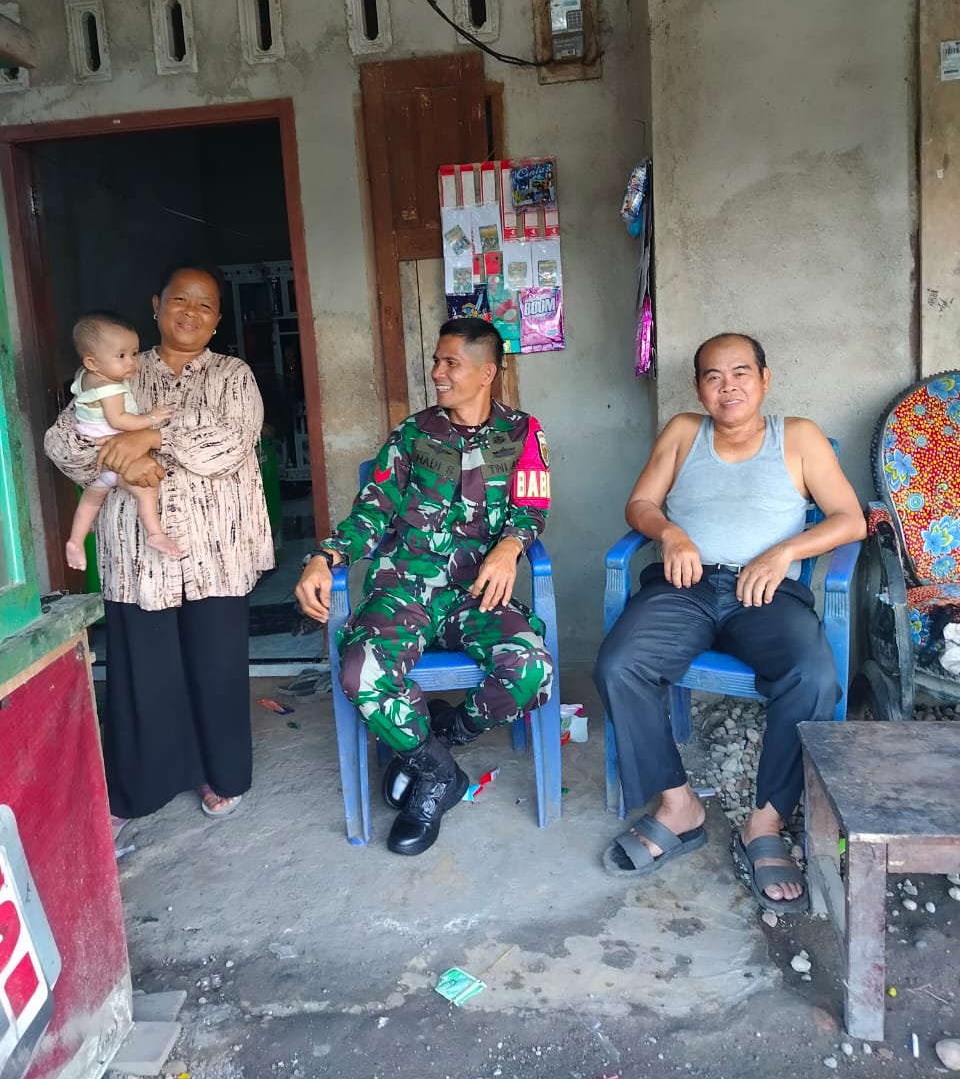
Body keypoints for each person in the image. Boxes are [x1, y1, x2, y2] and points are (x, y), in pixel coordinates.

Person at [593, 333, 865, 914]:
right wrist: (670, 533)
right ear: (698, 388)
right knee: (620, 664)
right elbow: (640, 505)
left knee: (813, 676)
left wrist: (785, 552)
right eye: (713, 376)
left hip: (765, 592)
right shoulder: (682, 432)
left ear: (765, 379)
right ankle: (678, 806)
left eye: (741, 372)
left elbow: (850, 519)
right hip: (685, 586)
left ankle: (764, 824)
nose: (728, 386)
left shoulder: (799, 437)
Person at [295, 317, 553, 857]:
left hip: (477, 595)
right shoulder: (412, 435)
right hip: (405, 590)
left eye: (450, 363)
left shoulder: (523, 433)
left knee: (531, 668)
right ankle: (439, 775)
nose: (436, 372)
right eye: (436, 361)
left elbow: (531, 508)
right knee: (361, 670)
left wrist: (510, 546)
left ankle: (437, 739)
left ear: (487, 373)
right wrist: (325, 557)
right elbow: (371, 514)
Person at [45, 264, 274, 826]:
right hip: (137, 554)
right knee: (148, 673)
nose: (190, 313)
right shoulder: (117, 366)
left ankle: (220, 774)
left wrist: (151, 436)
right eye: (179, 300)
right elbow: (62, 441)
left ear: (217, 320)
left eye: (204, 305)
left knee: (215, 668)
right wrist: (123, 462)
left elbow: (231, 440)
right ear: (156, 305)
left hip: (217, 551)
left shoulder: (232, 374)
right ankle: (149, 783)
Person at [64, 311, 181, 569]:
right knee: (147, 489)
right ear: (93, 362)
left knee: (91, 501)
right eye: (121, 356)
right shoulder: (110, 388)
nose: (131, 362)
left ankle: (75, 540)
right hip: (115, 454)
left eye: (134, 353)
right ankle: (155, 533)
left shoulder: (84, 378)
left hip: (96, 455)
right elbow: (119, 421)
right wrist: (151, 418)